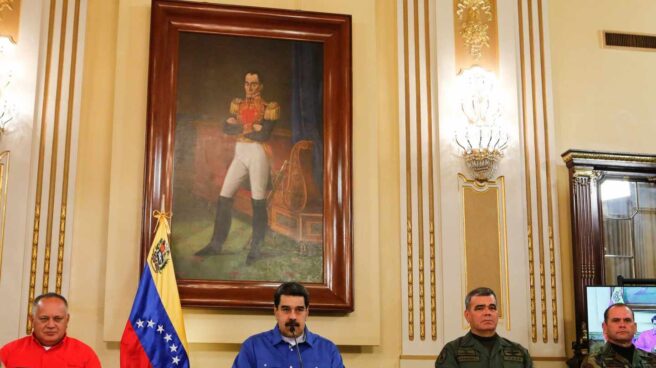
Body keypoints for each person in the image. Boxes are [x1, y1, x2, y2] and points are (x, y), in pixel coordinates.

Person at [195, 71, 279, 265]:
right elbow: (227, 129)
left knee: (258, 199)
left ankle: (256, 249)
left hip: (258, 153)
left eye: (254, 84)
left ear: (261, 86)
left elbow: (264, 135)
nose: (249, 87)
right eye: (247, 83)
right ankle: (216, 245)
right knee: (224, 196)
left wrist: (240, 127)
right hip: (240, 152)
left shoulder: (270, 107)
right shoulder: (238, 105)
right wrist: (252, 128)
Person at [233, 282, 344, 368]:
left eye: (299, 309)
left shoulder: (328, 350)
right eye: (286, 309)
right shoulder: (253, 347)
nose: (293, 317)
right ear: (276, 312)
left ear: (307, 312)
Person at [435, 287, 532, 367]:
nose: (487, 313)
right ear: (467, 315)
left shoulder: (519, 352)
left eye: (492, 308)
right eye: (480, 308)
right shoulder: (453, 350)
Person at [0, 292, 101, 367]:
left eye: (57, 319)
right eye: (44, 319)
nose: (51, 325)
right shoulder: (8, 352)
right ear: (32, 320)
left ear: (67, 320)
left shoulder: (85, 355)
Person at [581, 303, 656, 367]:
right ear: (605, 327)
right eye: (616, 320)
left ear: (635, 327)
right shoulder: (593, 361)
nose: (622, 325)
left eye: (627, 320)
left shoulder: (651, 359)